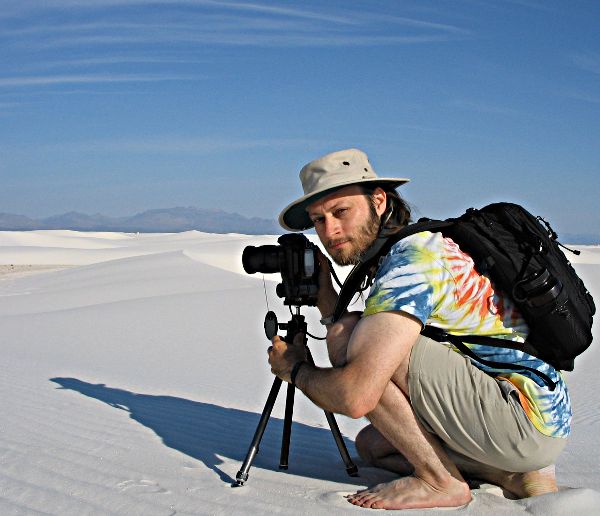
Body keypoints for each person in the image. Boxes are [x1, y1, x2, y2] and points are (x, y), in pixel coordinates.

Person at [267, 148, 571, 510]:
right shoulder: (418, 244)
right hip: (536, 422)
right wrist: (326, 298)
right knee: (373, 446)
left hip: (519, 418)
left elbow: (355, 397)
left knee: (348, 337)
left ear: (378, 201)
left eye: (341, 212)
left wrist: (295, 369)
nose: (329, 231)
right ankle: (511, 473)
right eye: (318, 219)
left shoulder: (411, 262)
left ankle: (440, 482)